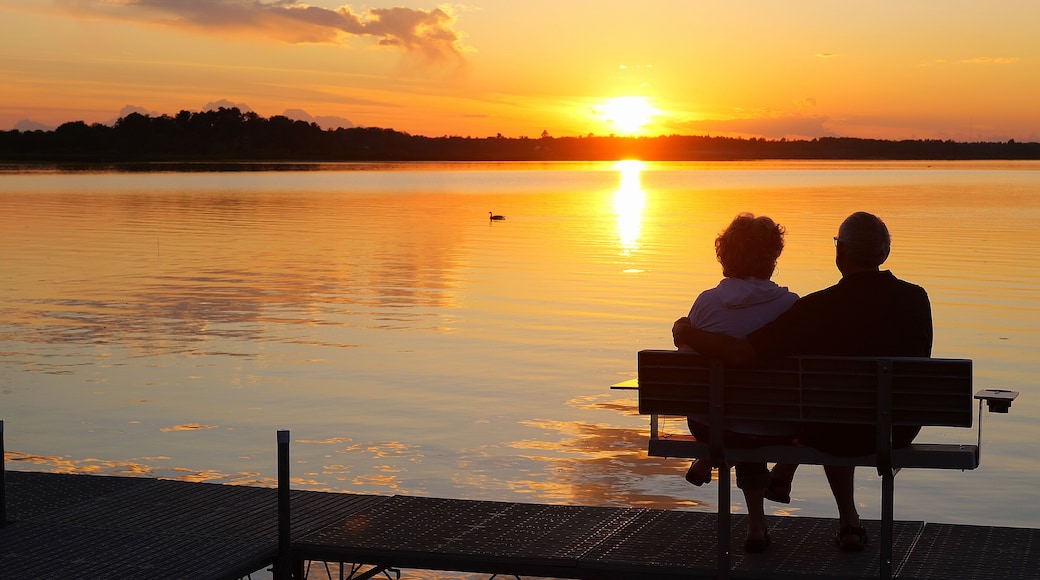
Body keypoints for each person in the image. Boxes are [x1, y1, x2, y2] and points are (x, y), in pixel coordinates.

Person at [672, 211, 932, 552]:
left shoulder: (816, 308)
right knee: (831, 408)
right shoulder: (916, 298)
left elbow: (743, 353)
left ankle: (772, 483)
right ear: (884, 253)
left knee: (829, 409)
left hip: (828, 426)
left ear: (839, 253)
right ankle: (837, 513)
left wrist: (686, 331)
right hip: (898, 428)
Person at [675, 212, 799, 553]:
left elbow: (688, 358)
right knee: (757, 414)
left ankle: (714, 465)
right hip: (775, 425)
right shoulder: (791, 306)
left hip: (711, 425)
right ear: (772, 258)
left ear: (724, 255)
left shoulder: (706, 303)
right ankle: (756, 524)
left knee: (737, 412)